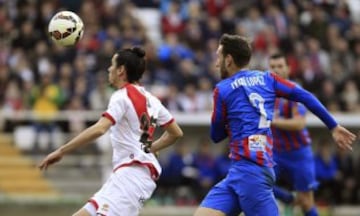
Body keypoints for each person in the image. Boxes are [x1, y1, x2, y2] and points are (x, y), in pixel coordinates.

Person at [193, 34, 356, 216]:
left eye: (219, 57)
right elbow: (306, 96)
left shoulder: (222, 89)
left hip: (252, 172)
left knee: (306, 202)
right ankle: (286, 196)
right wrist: (333, 126)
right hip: (240, 172)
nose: (216, 63)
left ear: (229, 60)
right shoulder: (268, 79)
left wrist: (233, 122)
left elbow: (215, 136)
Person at [38, 47, 183, 216]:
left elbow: (100, 128)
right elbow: (175, 133)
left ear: (121, 70)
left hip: (132, 176)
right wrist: (150, 148)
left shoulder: (121, 96)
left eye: (112, 65)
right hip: (127, 174)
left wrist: (62, 150)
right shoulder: (152, 99)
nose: (109, 69)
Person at [269, 53, 319, 216]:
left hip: (299, 153)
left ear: (288, 69)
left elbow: (300, 123)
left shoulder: (294, 92)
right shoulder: (265, 93)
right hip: (276, 152)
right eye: (273, 66)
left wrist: (273, 121)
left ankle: (293, 200)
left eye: (280, 66)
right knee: (258, 182)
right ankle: (288, 198)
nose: (276, 70)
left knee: (306, 203)